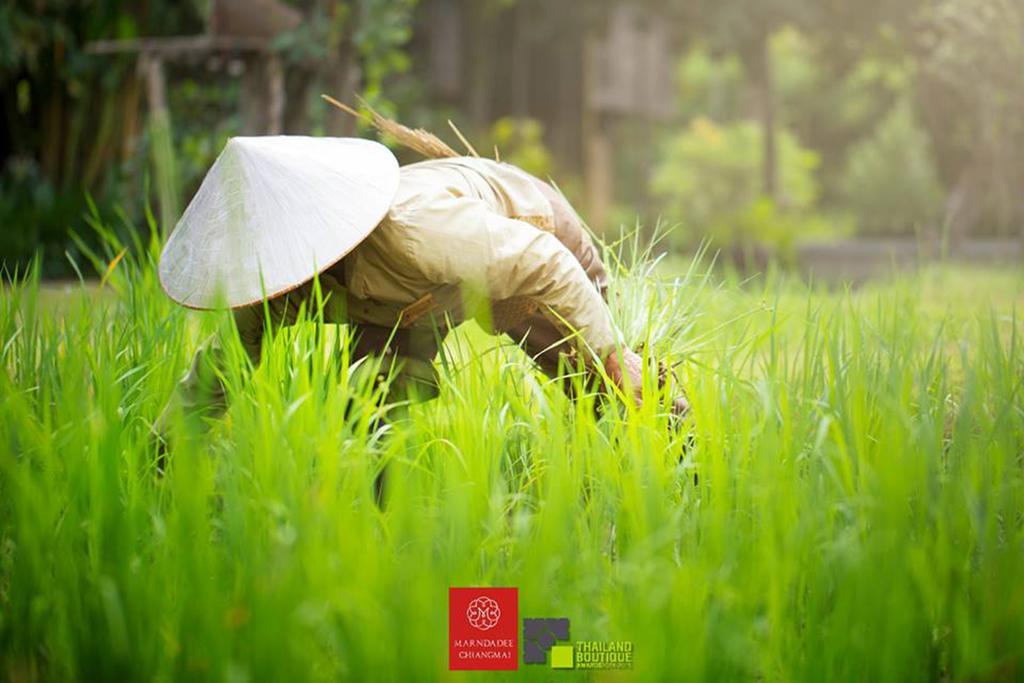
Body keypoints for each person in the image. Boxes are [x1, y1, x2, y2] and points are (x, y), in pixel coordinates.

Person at [155, 132, 686, 449]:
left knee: (595, 382)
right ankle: (391, 522)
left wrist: (611, 356)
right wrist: (161, 453)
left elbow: (542, 261)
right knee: (371, 408)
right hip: (410, 301)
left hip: (529, 241)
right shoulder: (275, 286)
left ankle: (682, 462)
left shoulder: (413, 228)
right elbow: (221, 368)